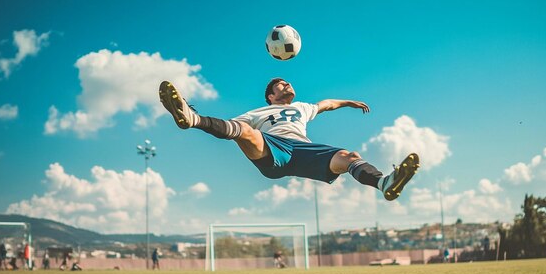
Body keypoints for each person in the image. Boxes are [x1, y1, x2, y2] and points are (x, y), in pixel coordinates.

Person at [159, 79, 420, 200]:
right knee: (245, 131)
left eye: (287, 84)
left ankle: (383, 183)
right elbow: (229, 127)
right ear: (270, 97)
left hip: (304, 151)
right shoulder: (257, 112)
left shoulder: (303, 107)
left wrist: (347, 102)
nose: (286, 86)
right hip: (273, 150)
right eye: (280, 85)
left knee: (348, 157)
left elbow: (326, 104)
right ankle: (191, 118)